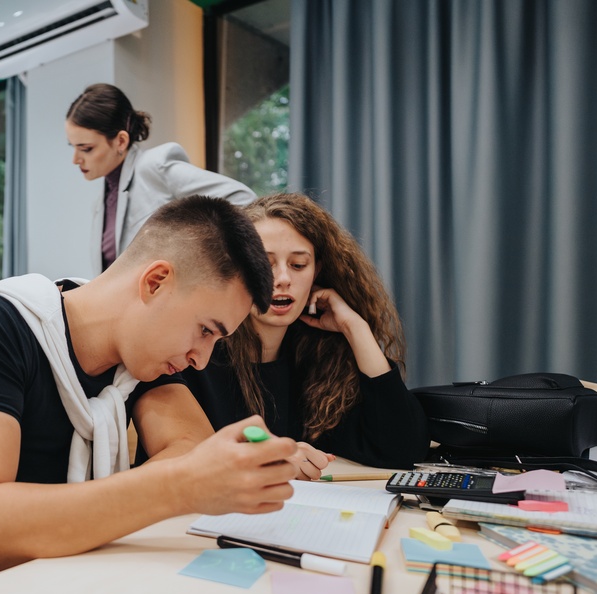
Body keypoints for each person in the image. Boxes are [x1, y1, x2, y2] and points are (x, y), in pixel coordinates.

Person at [0, 195, 298, 594]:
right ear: (155, 282)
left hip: (50, 584)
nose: (202, 357)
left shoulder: (138, 358)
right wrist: (181, 487)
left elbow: (189, 449)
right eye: (205, 330)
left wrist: (191, 476)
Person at [181, 193, 429, 470]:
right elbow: (184, 462)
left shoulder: (320, 360)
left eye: (298, 265)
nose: (283, 279)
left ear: (316, 271)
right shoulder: (194, 355)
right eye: (265, 263)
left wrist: (355, 328)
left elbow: (403, 450)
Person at [65, 83, 257, 274]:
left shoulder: (154, 167)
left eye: (86, 148)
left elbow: (244, 200)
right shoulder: (101, 202)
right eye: (72, 147)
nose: (75, 159)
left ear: (121, 141)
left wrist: (196, 262)